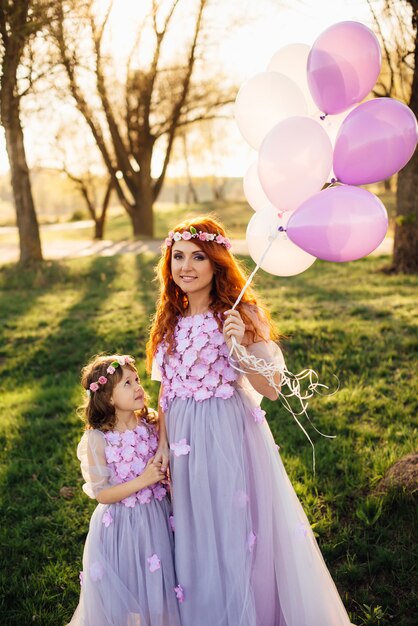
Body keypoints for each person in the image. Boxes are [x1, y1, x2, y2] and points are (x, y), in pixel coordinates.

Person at [146, 217, 353, 626]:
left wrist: (238, 344)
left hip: (227, 434)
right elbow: (166, 392)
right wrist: (163, 445)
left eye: (198, 257)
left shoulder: (242, 314)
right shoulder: (171, 320)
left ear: (217, 263)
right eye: (178, 257)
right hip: (183, 439)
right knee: (193, 526)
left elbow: (271, 388)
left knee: (232, 524)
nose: (185, 267)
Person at [68, 354, 182, 626]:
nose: (138, 387)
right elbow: (102, 494)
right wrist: (143, 480)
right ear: (108, 397)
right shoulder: (98, 439)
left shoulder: (152, 424)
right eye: (127, 384)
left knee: (161, 590)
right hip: (123, 527)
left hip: (157, 517)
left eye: (138, 380)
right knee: (129, 591)